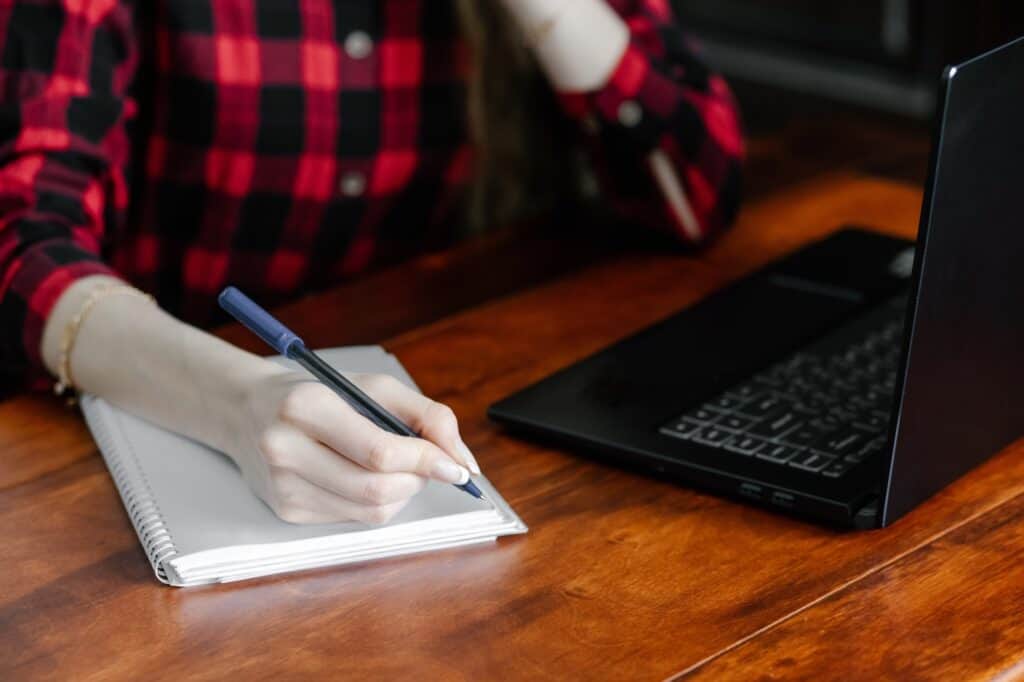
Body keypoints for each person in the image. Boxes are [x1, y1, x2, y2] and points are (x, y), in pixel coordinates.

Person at [0, 1, 743, 524]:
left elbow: (695, 195)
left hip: (474, 383)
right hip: (159, 413)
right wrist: (238, 400)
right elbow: (24, 244)